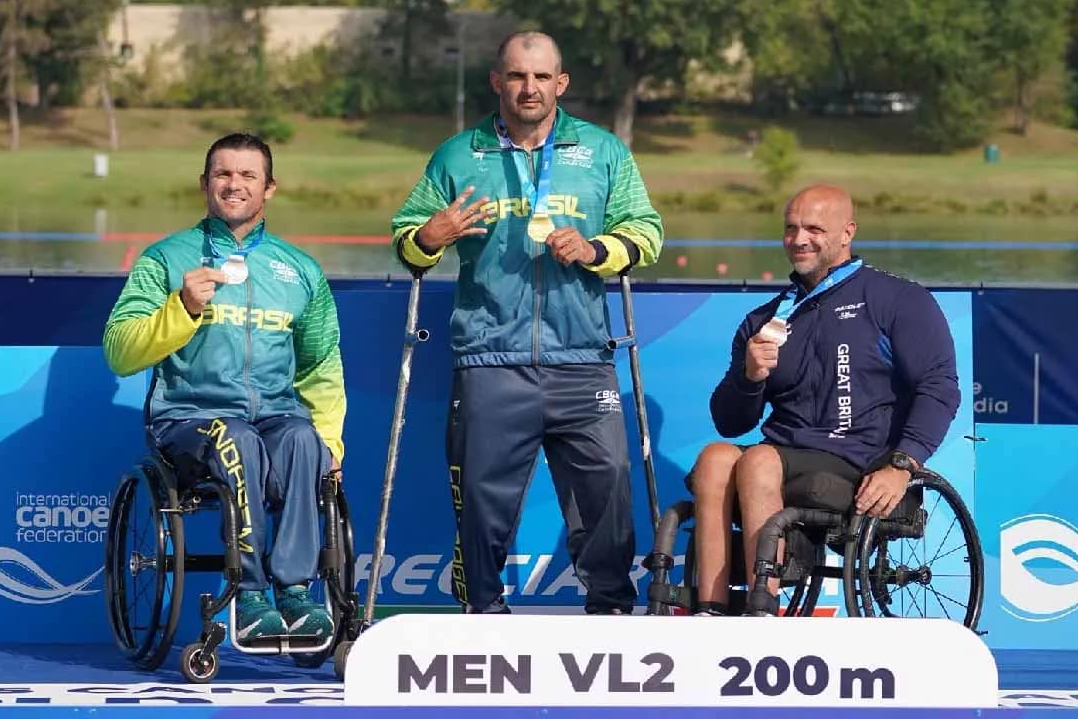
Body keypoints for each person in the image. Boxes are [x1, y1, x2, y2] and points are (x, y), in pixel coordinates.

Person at [390, 31, 664, 615]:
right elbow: (408, 241)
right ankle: (482, 613)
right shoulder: (458, 155)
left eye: (541, 77)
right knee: (482, 503)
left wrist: (594, 249)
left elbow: (646, 233)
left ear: (561, 83)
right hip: (491, 358)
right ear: (497, 82)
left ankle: (612, 613)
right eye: (517, 76)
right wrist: (429, 237)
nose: (529, 88)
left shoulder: (602, 151)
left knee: (608, 492)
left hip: (582, 356)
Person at [103, 133, 346, 642]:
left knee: (305, 439)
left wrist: (331, 444)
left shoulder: (300, 270)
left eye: (248, 175)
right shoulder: (166, 259)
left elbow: (321, 365)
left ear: (269, 188)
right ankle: (250, 594)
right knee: (237, 436)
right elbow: (120, 350)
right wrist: (183, 307)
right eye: (223, 174)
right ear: (205, 183)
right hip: (189, 421)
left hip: (275, 420)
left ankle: (295, 592)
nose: (235, 184)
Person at [688, 184, 960, 616]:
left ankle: (763, 611)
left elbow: (940, 388)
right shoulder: (766, 319)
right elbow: (730, 423)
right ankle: (710, 609)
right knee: (715, 458)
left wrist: (902, 465)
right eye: (790, 228)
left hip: (862, 459)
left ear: (847, 232)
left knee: (759, 460)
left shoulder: (898, 300)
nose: (799, 239)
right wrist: (749, 377)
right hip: (785, 455)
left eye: (814, 229)